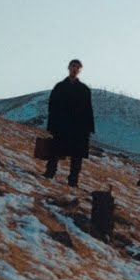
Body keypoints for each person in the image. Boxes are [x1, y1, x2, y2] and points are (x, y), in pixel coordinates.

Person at [44, 59, 95, 187]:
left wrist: (89, 129)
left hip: (79, 128)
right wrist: (51, 126)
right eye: (73, 66)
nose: (75, 69)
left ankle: (73, 181)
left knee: (77, 156)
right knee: (55, 151)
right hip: (62, 125)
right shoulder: (59, 87)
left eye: (78, 67)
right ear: (68, 67)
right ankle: (49, 174)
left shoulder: (84, 89)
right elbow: (52, 107)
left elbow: (88, 110)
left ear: (80, 70)